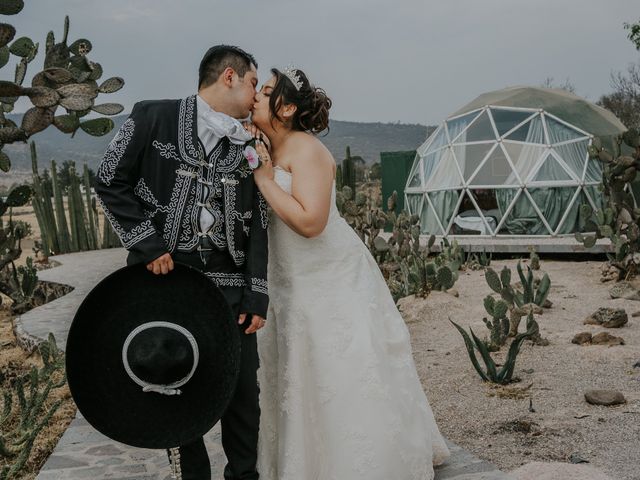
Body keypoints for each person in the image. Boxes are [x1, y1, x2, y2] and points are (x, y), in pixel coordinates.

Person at [246, 67, 450, 479]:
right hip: (288, 279)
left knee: (341, 368)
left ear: (285, 108)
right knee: (298, 373)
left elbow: (311, 222)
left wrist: (264, 180)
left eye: (265, 92)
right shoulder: (267, 147)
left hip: (327, 277)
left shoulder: (306, 151)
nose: (255, 97)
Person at [95, 45, 268, 480]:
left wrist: (257, 292)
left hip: (232, 289)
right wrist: (148, 244)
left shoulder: (252, 144)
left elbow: (262, 222)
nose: (255, 94)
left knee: (243, 393)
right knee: (177, 390)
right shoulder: (152, 116)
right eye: (252, 82)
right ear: (229, 76)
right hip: (168, 284)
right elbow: (109, 179)